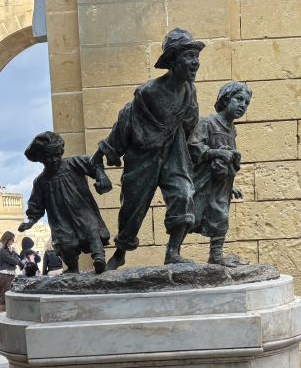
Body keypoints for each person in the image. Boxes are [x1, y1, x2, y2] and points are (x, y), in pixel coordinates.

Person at [92, 27, 205, 269]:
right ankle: (120, 253)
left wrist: (195, 152)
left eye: (196, 57)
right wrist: (104, 153)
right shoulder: (148, 92)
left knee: (184, 194)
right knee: (133, 207)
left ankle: (173, 252)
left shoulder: (189, 90)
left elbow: (190, 124)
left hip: (173, 150)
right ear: (172, 60)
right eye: (189, 56)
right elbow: (126, 121)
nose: (195, 62)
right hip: (144, 154)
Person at [19, 131, 112, 274]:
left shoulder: (73, 163)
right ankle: (72, 267)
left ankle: (99, 257)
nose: (54, 160)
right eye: (48, 157)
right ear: (41, 159)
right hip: (60, 219)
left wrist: (101, 176)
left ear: (61, 152)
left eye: (57, 155)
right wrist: (30, 221)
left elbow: (93, 162)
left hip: (82, 209)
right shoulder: (40, 181)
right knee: (64, 243)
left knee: (91, 229)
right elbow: (36, 205)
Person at [188, 81, 252, 266]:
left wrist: (231, 186)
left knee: (221, 217)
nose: (243, 105)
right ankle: (173, 252)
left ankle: (215, 256)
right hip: (202, 181)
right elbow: (194, 147)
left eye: (246, 103)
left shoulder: (232, 130)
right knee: (190, 217)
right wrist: (217, 153)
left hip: (221, 184)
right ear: (225, 99)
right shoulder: (208, 122)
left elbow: (229, 158)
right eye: (239, 99)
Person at [0, 231, 21, 320]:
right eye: (12, 239)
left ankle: (4, 318)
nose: (13, 241)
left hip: (10, 276)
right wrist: (15, 253)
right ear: (7, 240)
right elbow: (15, 261)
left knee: (7, 299)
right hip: (5, 277)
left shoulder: (8, 250)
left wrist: (14, 253)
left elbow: (15, 261)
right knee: (0, 299)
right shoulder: (2, 251)